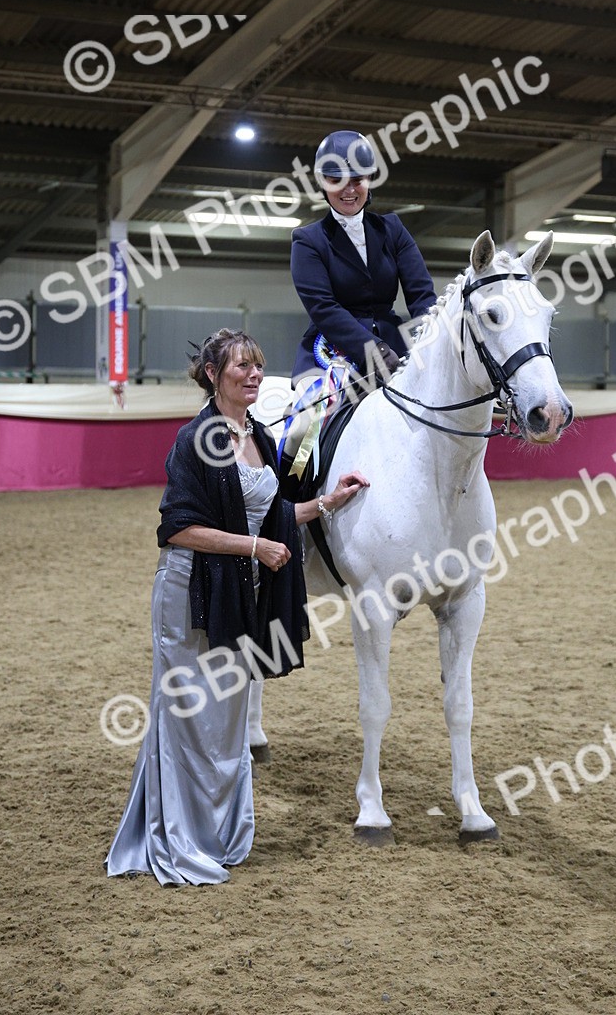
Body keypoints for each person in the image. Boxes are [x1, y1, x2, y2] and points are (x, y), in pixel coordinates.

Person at [104, 328, 368, 886]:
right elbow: (176, 529)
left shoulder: (261, 437)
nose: (253, 375)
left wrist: (327, 502)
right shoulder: (196, 439)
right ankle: (177, 838)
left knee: (224, 724)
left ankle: (216, 835)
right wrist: (253, 548)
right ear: (212, 376)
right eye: (240, 367)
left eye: (257, 366)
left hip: (235, 591)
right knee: (188, 721)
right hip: (189, 594)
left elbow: (271, 517)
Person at [290, 129, 437, 389]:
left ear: (369, 178)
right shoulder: (307, 240)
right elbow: (323, 308)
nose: (349, 190)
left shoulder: (393, 229)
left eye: (357, 180)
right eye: (337, 181)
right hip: (332, 350)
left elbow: (421, 294)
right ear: (323, 182)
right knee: (304, 428)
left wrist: (433, 338)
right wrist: (373, 350)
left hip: (395, 346)